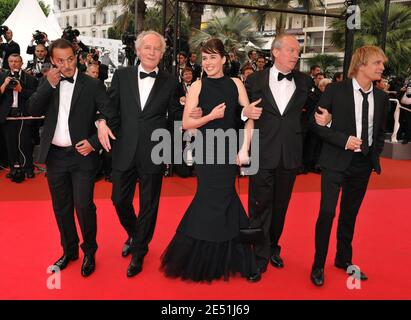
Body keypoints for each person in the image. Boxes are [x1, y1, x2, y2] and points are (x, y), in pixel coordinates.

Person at [160, 38, 262, 282]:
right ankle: (225, 257)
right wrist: (210, 116)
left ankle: (236, 257)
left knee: (226, 198)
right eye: (204, 58)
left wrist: (245, 149)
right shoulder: (196, 86)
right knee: (209, 199)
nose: (208, 63)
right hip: (206, 151)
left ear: (224, 59)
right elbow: (186, 124)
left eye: (213, 57)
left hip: (229, 150)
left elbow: (248, 117)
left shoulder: (236, 83)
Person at [96, 30, 195, 277]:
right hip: (124, 147)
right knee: (119, 200)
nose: (152, 52)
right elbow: (110, 107)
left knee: (150, 204)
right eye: (147, 48)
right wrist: (100, 121)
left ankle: (140, 250)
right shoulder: (121, 76)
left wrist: (190, 114)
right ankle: (134, 233)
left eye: (157, 49)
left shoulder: (171, 81)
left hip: (155, 149)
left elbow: (174, 114)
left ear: (162, 54)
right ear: (138, 51)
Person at [28, 38, 113, 277]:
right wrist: (48, 85)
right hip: (55, 156)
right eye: (60, 61)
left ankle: (89, 251)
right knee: (61, 208)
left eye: (70, 59)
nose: (66, 65)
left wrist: (95, 142)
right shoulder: (48, 82)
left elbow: (111, 116)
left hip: (82, 156)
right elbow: (32, 109)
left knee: (83, 205)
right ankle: (69, 250)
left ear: (76, 57)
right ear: (52, 61)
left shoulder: (92, 85)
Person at [309, 46, 389, 286]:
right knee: (327, 212)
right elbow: (316, 125)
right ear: (362, 64)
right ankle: (317, 265)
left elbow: (381, 131)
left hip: (363, 164)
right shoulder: (335, 90)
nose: (381, 68)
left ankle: (343, 259)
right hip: (335, 161)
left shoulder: (382, 97)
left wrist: (374, 153)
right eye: (377, 63)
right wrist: (343, 140)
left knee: (349, 215)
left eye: (382, 64)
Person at [243, 34, 319, 274]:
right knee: (258, 205)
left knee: (280, 206)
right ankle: (258, 254)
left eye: (298, 51)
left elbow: (312, 113)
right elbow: (239, 110)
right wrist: (245, 112)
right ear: (275, 52)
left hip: (290, 153)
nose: (296, 55)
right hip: (261, 150)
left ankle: (273, 246)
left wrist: (302, 129)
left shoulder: (305, 81)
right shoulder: (254, 80)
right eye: (291, 50)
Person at [0, 54, 38, 179]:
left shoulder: (30, 79)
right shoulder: (2, 77)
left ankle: (28, 168)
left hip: (24, 114)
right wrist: (5, 85)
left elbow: (36, 97)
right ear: (8, 63)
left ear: (21, 63)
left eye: (16, 61)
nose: (13, 63)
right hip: (8, 114)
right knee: (10, 144)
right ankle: (13, 168)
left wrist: (21, 89)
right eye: (11, 61)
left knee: (26, 143)